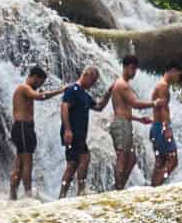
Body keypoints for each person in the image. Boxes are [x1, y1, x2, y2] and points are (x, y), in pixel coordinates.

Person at [11, 66, 67, 200]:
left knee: (19, 164)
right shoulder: (24, 88)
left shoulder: (24, 89)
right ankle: (28, 195)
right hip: (23, 128)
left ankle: (12, 196)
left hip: (23, 128)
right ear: (34, 77)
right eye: (40, 83)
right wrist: (60, 91)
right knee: (27, 163)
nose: (39, 86)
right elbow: (40, 97)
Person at [60, 66, 112, 198]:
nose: (93, 84)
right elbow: (64, 107)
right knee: (85, 157)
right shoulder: (73, 90)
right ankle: (81, 190)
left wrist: (109, 92)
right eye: (92, 80)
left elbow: (99, 107)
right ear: (86, 75)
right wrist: (67, 130)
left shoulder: (84, 94)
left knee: (72, 164)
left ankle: (62, 195)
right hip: (72, 132)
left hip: (79, 134)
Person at [108, 56, 156, 190]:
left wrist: (139, 119)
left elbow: (123, 110)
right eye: (132, 68)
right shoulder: (122, 85)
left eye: (135, 69)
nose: (134, 72)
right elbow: (135, 103)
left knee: (132, 158)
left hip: (124, 122)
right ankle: (118, 189)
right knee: (123, 157)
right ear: (125, 67)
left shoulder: (121, 84)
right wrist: (154, 103)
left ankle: (119, 186)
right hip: (121, 124)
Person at [148, 60, 182, 186]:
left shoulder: (161, 85)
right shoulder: (163, 86)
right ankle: (156, 186)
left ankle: (152, 190)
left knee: (160, 162)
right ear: (172, 70)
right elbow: (162, 107)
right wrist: (166, 128)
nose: (178, 77)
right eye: (178, 74)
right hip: (161, 127)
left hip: (156, 127)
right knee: (173, 160)